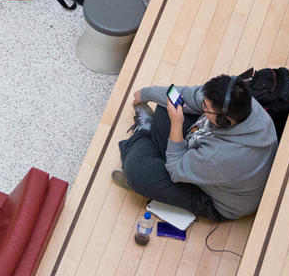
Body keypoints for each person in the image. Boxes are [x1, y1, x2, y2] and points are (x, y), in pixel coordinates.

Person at [112, 74, 279, 222]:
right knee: (169, 104)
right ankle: (147, 149)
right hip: (206, 162)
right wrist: (144, 94)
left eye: (206, 107)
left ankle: (143, 133)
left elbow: (175, 169)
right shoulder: (243, 104)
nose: (202, 105)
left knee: (137, 172)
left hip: (211, 198)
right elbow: (189, 96)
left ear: (224, 121)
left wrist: (176, 124)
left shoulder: (219, 157)